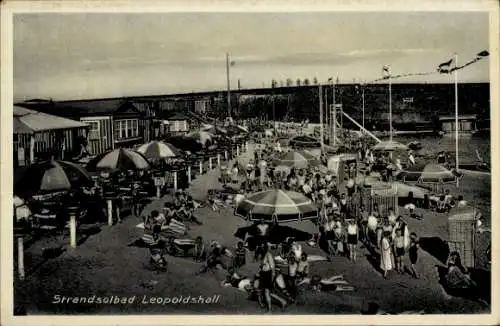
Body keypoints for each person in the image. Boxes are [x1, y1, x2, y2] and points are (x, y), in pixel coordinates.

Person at [259, 242, 275, 313]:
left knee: (267, 292)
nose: (262, 248)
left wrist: (272, 279)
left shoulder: (268, 255)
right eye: (261, 247)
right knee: (265, 292)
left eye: (263, 247)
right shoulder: (263, 255)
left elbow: (273, 268)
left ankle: (270, 310)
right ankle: (269, 308)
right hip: (263, 274)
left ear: (266, 247)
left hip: (268, 275)